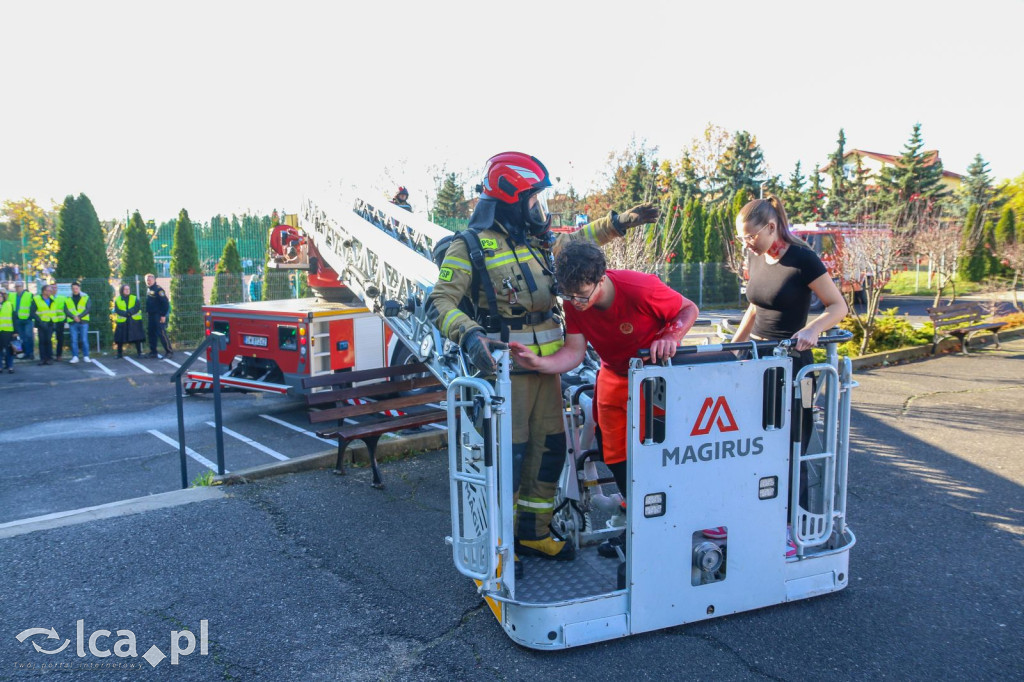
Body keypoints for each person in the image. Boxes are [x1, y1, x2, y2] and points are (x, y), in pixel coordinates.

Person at [427, 151, 659, 565]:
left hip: (548, 366)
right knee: (509, 458)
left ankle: (533, 534)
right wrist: (470, 334)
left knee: (549, 449)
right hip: (505, 372)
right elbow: (439, 301)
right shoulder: (469, 246)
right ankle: (498, 545)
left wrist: (620, 222)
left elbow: (579, 241)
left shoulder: (536, 242)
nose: (539, 207)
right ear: (511, 200)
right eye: (533, 199)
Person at [509, 241, 699, 559]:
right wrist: (539, 363)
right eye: (569, 296)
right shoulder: (574, 300)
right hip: (612, 374)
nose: (576, 303)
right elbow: (574, 352)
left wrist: (671, 335)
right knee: (615, 456)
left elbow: (688, 308)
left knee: (656, 456)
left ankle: (664, 529)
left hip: (652, 378)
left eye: (582, 296)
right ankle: (637, 527)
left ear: (602, 278)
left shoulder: (640, 288)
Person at [731, 196, 848, 551]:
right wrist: (734, 347)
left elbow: (838, 306)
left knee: (793, 446)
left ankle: (791, 527)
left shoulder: (803, 258)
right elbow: (755, 307)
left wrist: (813, 329)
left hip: (796, 367)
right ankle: (755, 515)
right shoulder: (756, 255)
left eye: (750, 237)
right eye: (742, 238)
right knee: (754, 446)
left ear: (771, 227)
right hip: (758, 362)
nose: (746, 244)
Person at [112, 284, 145, 358]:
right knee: (120, 338)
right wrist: (125, 314)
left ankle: (139, 353)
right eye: (125, 289)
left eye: (128, 289)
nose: (127, 290)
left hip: (134, 321)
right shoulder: (118, 299)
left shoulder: (134, 298)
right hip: (122, 321)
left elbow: (137, 307)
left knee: (137, 337)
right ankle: (119, 354)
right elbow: (117, 309)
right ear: (122, 290)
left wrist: (129, 312)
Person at [144, 274, 173, 358]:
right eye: (147, 280)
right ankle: (153, 352)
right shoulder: (149, 289)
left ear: (154, 280)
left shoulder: (158, 289)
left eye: (150, 280)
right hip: (151, 315)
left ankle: (169, 352)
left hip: (158, 315)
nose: (148, 281)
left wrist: (163, 315)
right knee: (151, 333)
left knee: (161, 333)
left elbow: (165, 303)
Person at [32, 284, 58, 365]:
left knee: (48, 341)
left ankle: (49, 358)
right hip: (41, 324)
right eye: (49, 290)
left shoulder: (52, 299)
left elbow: (53, 312)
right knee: (42, 341)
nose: (51, 292)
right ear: (44, 291)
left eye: (51, 290)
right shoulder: (36, 299)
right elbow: (32, 312)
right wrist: (40, 321)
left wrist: (54, 322)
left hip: (50, 323)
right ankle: (42, 359)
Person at [66, 281, 92, 363]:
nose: (75, 290)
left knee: (84, 339)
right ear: (71, 289)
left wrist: (79, 317)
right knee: (74, 340)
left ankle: (86, 356)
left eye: (76, 288)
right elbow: (66, 310)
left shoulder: (85, 297)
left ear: (79, 288)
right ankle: (75, 356)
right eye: (73, 288)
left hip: (83, 321)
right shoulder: (67, 298)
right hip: (72, 321)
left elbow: (88, 309)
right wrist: (74, 317)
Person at [10, 281, 34, 360]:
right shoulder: (12, 295)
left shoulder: (29, 295)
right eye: (16, 287)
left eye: (19, 286)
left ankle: (30, 353)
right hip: (17, 319)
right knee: (19, 337)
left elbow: (33, 306)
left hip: (27, 319)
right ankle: (21, 354)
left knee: (28, 337)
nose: (17, 288)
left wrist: (30, 316)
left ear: (22, 287)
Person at [0, 290, 16, 373]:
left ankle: (10, 366)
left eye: (0, 296)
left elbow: (14, 319)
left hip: (8, 331)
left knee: (9, 349)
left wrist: (15, 331)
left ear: (3, 297)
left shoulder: (9, 305)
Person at [50, 286, 67, 360]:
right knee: (48, 339)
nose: (54, 289)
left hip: (60, 321)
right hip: (49, 321)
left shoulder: (62, 298)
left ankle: (59, 355)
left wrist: (65, 319)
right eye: (52, 288)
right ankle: (49, 355)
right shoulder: (47, 298)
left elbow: (67, 308)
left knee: (60, 339)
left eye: (55, 288)